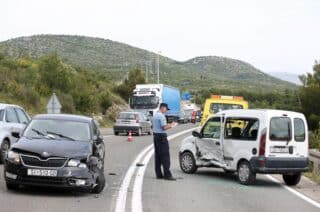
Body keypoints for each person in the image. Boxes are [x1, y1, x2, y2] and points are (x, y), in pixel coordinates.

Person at [152, 103, 177, 181]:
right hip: (161, 137)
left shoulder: (155, 115)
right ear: (163, 108)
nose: (166, 111)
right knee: (165, 156)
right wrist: (172, 125)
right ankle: (167, 175)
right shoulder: (161, 116)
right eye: (166, 109)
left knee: (158, 156)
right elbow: (164, 127)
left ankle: (158, 174)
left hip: (155, 137)